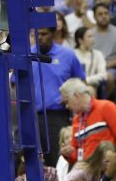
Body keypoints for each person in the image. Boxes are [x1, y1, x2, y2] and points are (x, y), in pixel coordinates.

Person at [31, 27, 85, 166]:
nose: (40, 37)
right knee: (34, 161)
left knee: (58, 159)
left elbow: (81, 82)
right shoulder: (27, 55)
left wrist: (69, 97)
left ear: (53, 34)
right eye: (37, 34)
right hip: (32, 115)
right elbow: (15, 83)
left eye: (44, 33)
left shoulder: (67, 54)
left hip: (58, 114)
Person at [60, 77, 116, 179]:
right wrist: (67, 154)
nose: (66, 106)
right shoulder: (76, 120)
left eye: (66, 101)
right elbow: (76, 157)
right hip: (88, 177)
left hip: (108, 174)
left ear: (76, 96)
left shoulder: (106, 107)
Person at [92, 3, 116, 98]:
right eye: (100, 14)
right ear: (94, 17)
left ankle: (104, 103)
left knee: (109, 76)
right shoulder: (89, 34)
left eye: (106, 13)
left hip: (113, 68)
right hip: (93, 67)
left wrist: (103, 65)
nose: (104, 16)